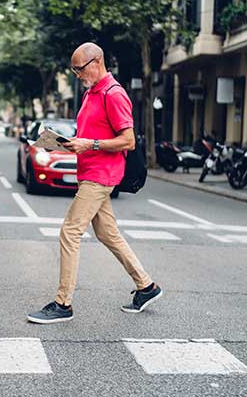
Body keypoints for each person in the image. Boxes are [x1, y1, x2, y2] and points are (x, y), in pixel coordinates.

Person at [27, 42, 162, 324]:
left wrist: (92, 144)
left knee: (70, 232)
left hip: (102, 175)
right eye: (74, 69)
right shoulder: (91, 93)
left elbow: (128, 140)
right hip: (90, 171)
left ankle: (63, 303)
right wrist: (64, 145)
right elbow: (88, 137)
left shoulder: (114, 94)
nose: (77, 74)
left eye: (80, 68)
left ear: (97, 62)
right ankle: (146, 286)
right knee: (107, 234)